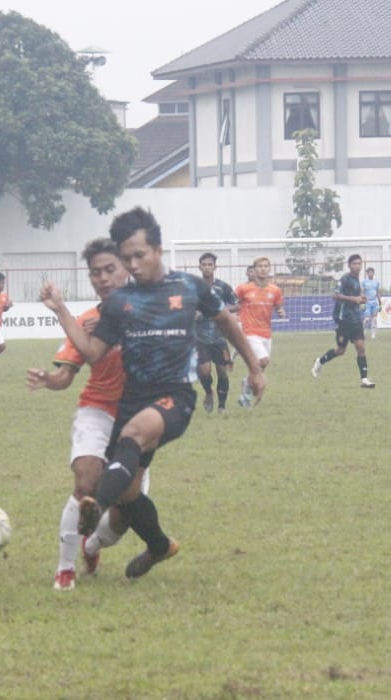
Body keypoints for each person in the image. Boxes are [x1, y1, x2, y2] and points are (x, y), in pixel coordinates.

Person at [40, 206, 265, 579]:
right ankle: (159, 546)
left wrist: (254, 367)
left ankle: (94, 506)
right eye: (126, 258)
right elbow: (93, 353)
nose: (132, 265)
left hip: (175, 398)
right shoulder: (118, 303)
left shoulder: (190, 287)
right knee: (130, 494)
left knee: (132, 436)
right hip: (132, 401)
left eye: (139, 256)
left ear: (158, 250)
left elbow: (225, 320)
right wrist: (61, 311)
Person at [27, 239, 141, 591]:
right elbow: (65, 377)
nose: (103, 278)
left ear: (126, 269)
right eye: (96, 272)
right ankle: (65, 568)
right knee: (86, 482)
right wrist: (50, 380)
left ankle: (92, 546)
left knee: (124, 515)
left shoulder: (150, 312)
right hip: (97, 411)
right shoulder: (86, 321)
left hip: (140, 421)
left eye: (110, 270)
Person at [311, 253, 375, 387]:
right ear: (349, 265)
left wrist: (361, 298)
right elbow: (335, 295)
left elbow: (355, 296)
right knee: (340, 350)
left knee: (361, 348)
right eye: (354, 264)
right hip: (344, 319)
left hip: (356, 318)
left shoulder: (357, 279)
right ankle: (320, 361)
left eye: (359, 264)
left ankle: (364, 380)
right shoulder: (345, 279)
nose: (357, 266)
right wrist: (354, 299)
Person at [233, 256, 285, 406]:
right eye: (260, 266)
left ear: (269, 269)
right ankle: (247, 390)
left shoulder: (275, 290)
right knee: (263, 360)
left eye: (265, 266)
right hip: (249, 332)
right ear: (254, 270)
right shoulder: (243, 289)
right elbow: (233, 303)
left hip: (266, 333)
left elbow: (278, 305)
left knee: (260, 366)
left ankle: (246, 388)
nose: (263, 269)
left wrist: (281, 311)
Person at [194, 252, 239, 412]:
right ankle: (208, 392)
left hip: (219, 336)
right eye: (204, 264)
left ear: (215, 267)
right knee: (204, 371)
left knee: (222, 372)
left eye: (210, 264)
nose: (207, 267)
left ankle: (222, 406)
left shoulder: (223, 286)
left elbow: (237, 304)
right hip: (200, 337)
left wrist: (222, 310)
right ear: (199, 267)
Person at [361, 266, 382, 340]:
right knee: (366, 319)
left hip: (374, 302)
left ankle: (373, 336)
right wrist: (362, 302)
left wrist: (380, 303)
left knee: (374, 319)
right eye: (368, 272)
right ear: (367, 273)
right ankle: (363, 333)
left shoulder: (377, 282)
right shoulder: (364, 282)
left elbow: (378, 293)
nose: (370, 274)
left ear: (373, 273)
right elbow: (362, 292)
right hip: (367, 302)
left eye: (371, 272)